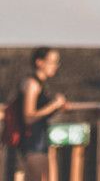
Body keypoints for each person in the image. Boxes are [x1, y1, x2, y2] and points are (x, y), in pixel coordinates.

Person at [19, 47, 66, 181]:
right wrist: (54, 105)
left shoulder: (40, 84)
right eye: (52, 62)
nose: (55, 66)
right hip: (32, 143)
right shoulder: (32, 84)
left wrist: (56, 107)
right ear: (39, 62)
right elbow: (28, 116)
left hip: (39, 141)